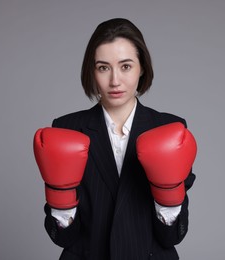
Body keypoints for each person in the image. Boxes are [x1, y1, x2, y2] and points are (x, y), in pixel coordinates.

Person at [33, 18, 197, 260]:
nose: (115, 81)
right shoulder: (67, 129)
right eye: (103, 67)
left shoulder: (169, 129)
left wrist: (168, 200)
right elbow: (63, 239)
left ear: (142, 68)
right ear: (92, 71)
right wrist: (61, 203)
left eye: (126, 66)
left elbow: (172, 237)